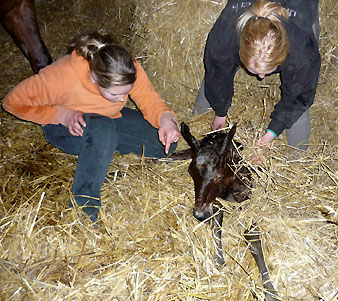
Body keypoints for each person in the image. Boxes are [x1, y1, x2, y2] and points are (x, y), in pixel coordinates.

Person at [2, 32, 181, 224]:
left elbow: (148, 99)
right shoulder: (61, 77)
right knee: (102, 129)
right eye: (115, 93)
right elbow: (12, 102)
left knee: (162, 144)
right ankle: (84, 211)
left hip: (108, 120)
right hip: (67, 128)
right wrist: (59, 114)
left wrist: (166, 119)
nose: (123, 99)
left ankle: (103, 146)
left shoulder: (126, 67)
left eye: (126, 93)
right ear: (94, 78)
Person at [193, 0, 321, 153]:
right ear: (240, 50)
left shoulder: (301, 48)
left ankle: (298, 160)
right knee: (213, 78)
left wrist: (271, 133)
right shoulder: (225, 37)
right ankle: (194, 128)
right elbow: (217, 75)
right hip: (232, 35)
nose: (261, 77)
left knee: (299, 96)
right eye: (255, 71)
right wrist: (220, 111)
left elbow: (299, 97)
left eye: (267, 71)